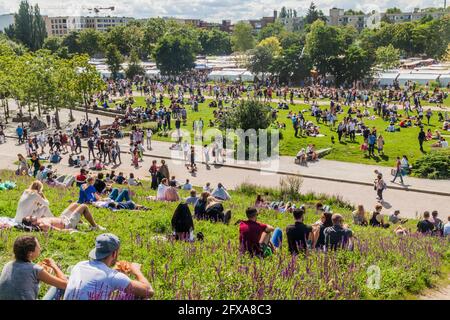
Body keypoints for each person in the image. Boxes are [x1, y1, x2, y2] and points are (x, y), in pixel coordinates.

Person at [63, 233, 154, 300]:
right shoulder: (113, 276)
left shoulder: (79, 265)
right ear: (114, 253)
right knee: (141, 297)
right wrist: (136, 270)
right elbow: (148, 291)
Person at [0, 236, 67, 300]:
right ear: (30, 253)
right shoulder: (35, 269)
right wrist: (54, 266)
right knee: (66, 281)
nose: (40, 248)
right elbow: (65, 285)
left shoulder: (7, 265)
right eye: (38, 246)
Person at [22, 203, 105, 232]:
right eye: (30, 218)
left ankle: (82, 223)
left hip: (62, 218)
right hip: (67, 224)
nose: (31, 216)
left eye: (29, 216)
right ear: (32, 223)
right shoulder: (43, 225)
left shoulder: (39, 219)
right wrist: (68, 230)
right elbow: (58, 230)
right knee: (83, 206)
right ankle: (95, 226)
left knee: (74, 205)